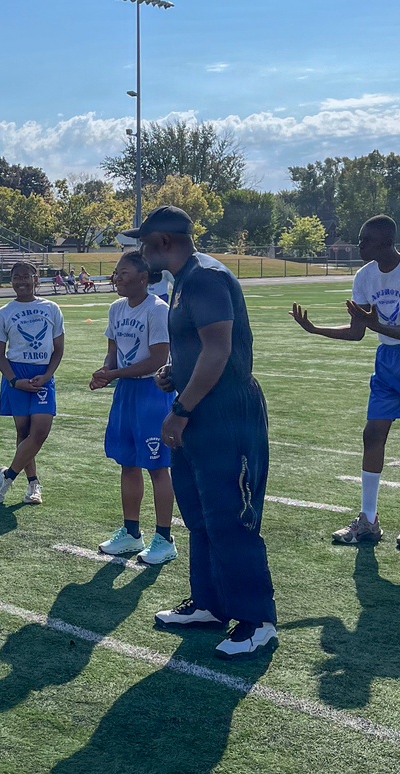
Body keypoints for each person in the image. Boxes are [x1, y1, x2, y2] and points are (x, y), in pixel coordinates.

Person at [124, 205, 277, 660]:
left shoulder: (206, 277)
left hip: (224, 414)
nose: (140, 252)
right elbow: (199, 351)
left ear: (164, 243)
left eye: (144, 243)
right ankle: (210, 605)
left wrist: (182, 409)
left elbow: (219, 349)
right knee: (201, 515)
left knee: (232, 516)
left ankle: (257, 620)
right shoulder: (184, 280)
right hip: (198, 410)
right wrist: (176, 372)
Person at [291, 214, 400, 550]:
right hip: (388, 361)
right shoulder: (364, 276)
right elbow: (357, 331)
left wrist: (372, 324)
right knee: (372, 433)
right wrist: (315, 329)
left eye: (366, 240)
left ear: (386, 242)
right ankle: (368, 520)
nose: (359, 245)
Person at [91, 250, 175, 565]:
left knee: (156, 466)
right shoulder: (116, 309)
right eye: (116, 272)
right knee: (128, 463)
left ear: (143, 278)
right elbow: (112, 351)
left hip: (153, 392)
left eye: (123, 272)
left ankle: (165, 538)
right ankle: (131, 532)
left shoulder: (157, 310)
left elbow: (157, 359)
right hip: (126, 392)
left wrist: (113, 373)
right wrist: (104, 373)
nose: (117, 277)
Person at [0, 261, 65, 505]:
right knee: (23, 432)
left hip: (43, 375)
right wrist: (14, 381)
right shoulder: (4, 312)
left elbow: (58, 349)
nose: (21, 281)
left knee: (40, 431)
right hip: (17, 374)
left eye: (26, 276)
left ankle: (7, 476)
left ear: (36, 279)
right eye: (16, 277)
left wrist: (48, 375)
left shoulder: (51, 308)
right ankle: (33, 484)